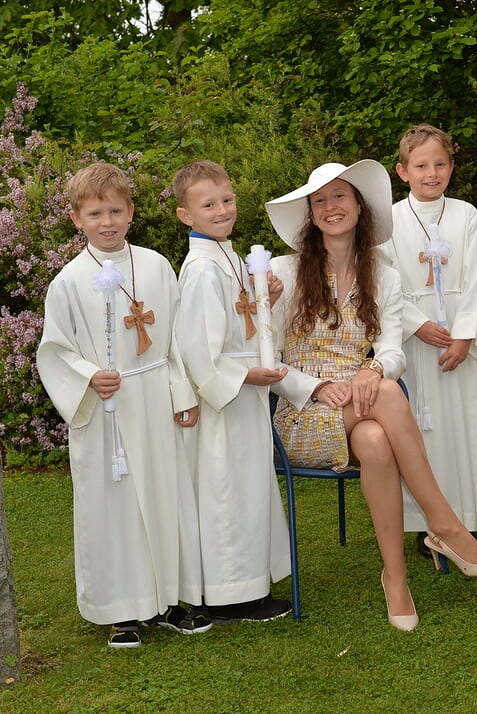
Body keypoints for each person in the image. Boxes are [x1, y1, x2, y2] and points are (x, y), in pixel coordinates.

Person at [264, 160, 477, 632]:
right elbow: (266, 360)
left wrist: (371, 369)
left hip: (365, 404)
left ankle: (395, 579)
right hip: (303, 413)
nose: (331, 207)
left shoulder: (383, 275)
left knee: (377, 439)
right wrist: (319, 387)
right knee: (387, 395)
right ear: (311, 214)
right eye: (320, 201)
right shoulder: (283, 272)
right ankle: (446, 526)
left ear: (360, 206)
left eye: (340, 196)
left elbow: (393, 352)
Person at [37, 162, 209, 648]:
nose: (107, 222)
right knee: (113, 508)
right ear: (76, 219)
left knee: (165, 496)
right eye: (95, 213)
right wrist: (89, 376)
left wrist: (182, 392)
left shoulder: (155, 266)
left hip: (154, 399)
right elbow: (55, 348)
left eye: (115, 211)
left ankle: (171, 599)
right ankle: (121, 611)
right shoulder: (69, 281)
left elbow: (176, 338)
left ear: (131, 212)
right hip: (106, 410)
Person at [174, 160, 312, 623]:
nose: (222, 210)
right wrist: (246, 376)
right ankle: (229, 594)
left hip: (247, 392)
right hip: (225, 402)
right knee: (225, 492)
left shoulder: (229, 258)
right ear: (185, 215)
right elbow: (198, 349)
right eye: (208, 205)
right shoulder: (201, 268)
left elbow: (246, 325)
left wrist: (267, 299)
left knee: (247, 488)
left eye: (227, 200)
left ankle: (248, 584)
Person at [379, 124, 477, 555]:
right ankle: (426, 523)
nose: (431, 174)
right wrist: (417, 324)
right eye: (421, 166)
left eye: (439, 164)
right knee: (422, 428)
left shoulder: (466, 215)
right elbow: (383, 279)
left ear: (451, 167)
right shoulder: (390, 221)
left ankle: (465, 520)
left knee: (465, 426)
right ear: (403, 171)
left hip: (459, 339)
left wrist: (464, 335)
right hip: (415, 340)